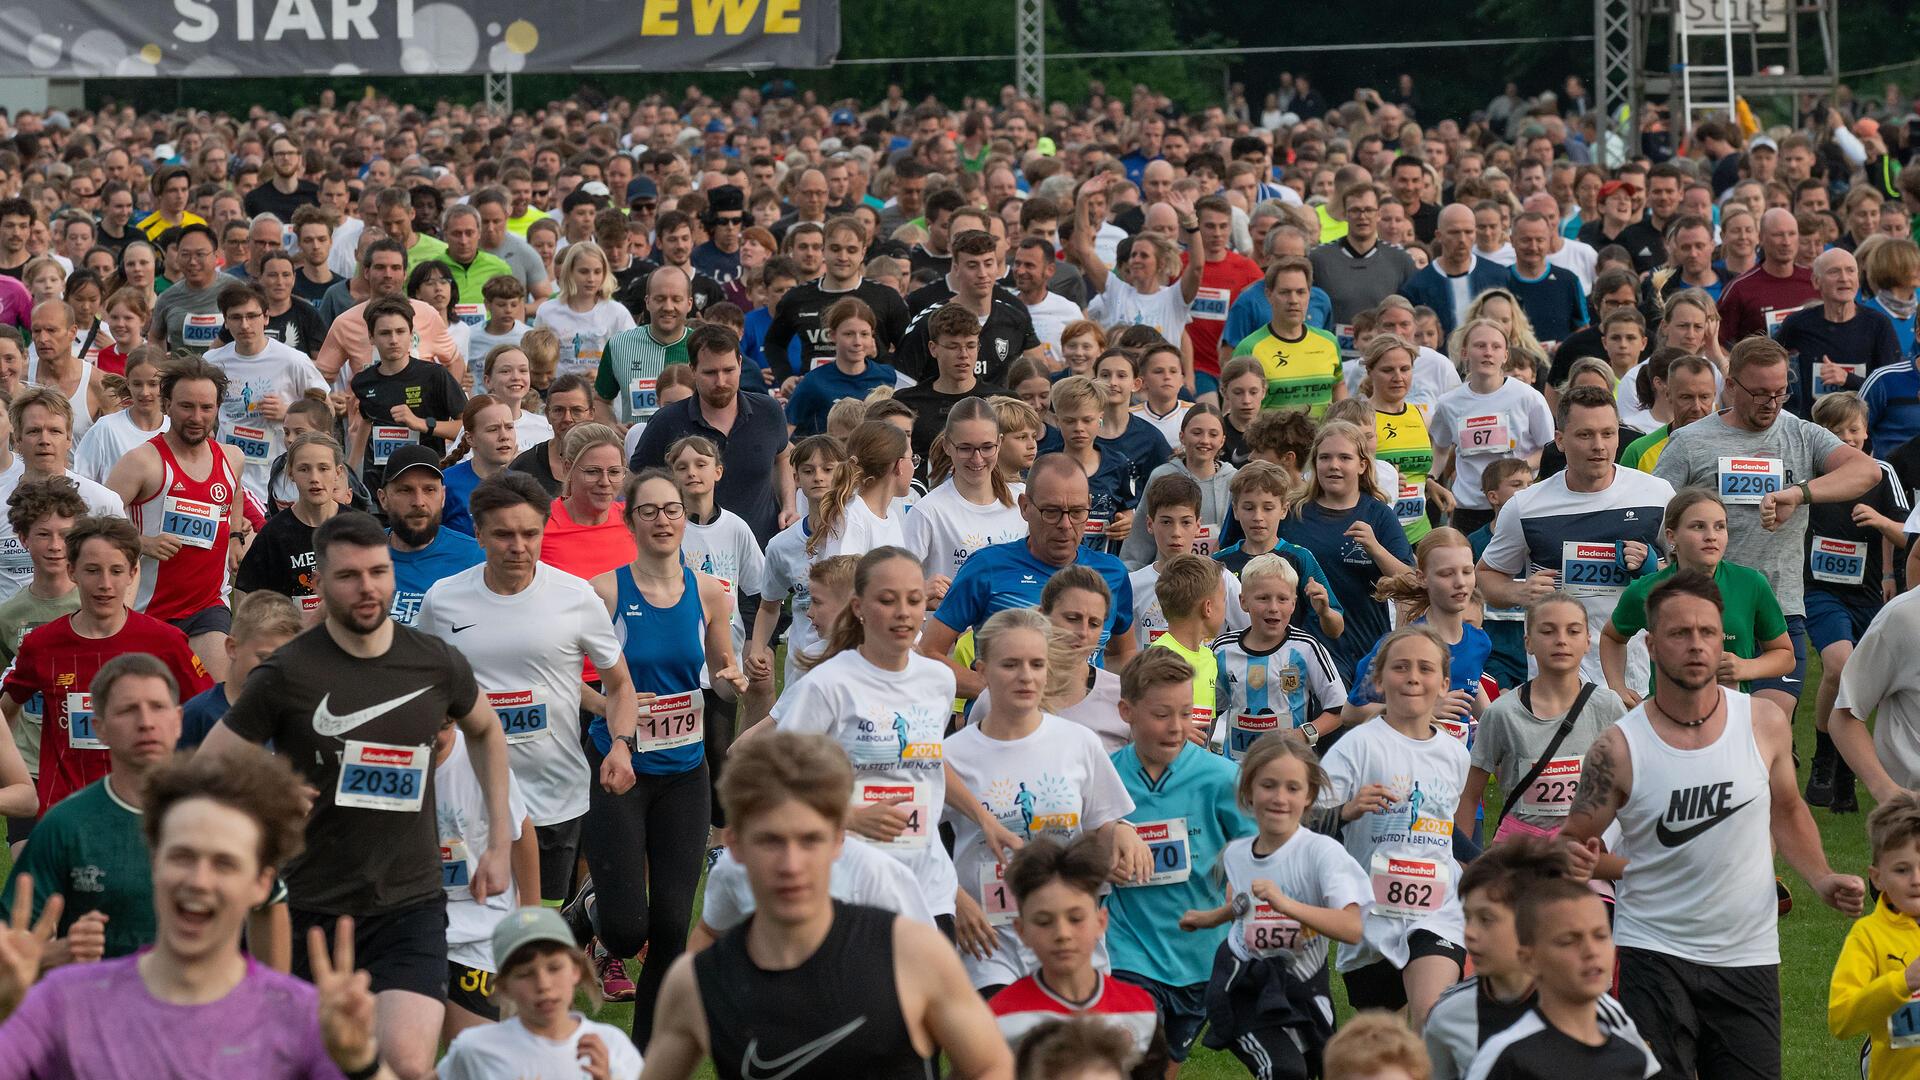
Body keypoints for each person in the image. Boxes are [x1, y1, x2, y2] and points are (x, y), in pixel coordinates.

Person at [199, 510, 522, 1080]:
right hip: (309, 904)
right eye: (349, 576)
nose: (367, 587)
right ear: (319, 585)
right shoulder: (288, 672)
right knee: (317, 1065)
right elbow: (208, 768)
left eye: (378, 571)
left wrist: (499, 842)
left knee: (405, 1064)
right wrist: (268, 794)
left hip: (410, 906)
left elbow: (487, 731)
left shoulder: (434, 660)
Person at [1559, 571, 1865, 1080]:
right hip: (1654, 953)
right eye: (1680, 634)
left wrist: (1823, 878)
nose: (1696, 645)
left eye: (1707, 631)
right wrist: (1599, 862)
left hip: (1747, 953)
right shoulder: (1617, 748)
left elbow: (1786, 810)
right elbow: (1574, 842)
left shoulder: (1763, 722)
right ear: (1652, 646)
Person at [0, 740, 404, 1079]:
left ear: (262, 883)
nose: (198, 880)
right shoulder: (66, 1001)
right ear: (155, 861)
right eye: (182, 856)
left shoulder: (302, 1018)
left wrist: (364, 1065)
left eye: (224, 863)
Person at [641, 729, 1015, 1080]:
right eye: (770, 841)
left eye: (810, 840)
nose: (791, 865)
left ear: (839, 840)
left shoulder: (911, 953)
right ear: (734, 844)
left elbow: (992, 1066)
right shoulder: (696, 983)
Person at [569, 468, 741, 1026]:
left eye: (672, 510)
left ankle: (648, 1050)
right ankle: (592, 907)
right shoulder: (605, 592)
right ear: (630, 519)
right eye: (650, 511)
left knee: (671, 925)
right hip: (618, 769)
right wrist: (611, 707)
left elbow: (716, 671)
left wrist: (737, 678)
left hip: (684, 771)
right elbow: (563, 676)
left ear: (684, 518)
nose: (663, 520)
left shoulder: (710, 592)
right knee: (626, 931)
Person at [420, 472, 635, 907]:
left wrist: (621, 744)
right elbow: (426, 688)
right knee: (477, 928)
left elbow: (621, 685)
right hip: (469, 796)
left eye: (530, 533)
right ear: (478, 534)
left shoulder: (576, 597)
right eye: (503, 535)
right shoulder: (443, 600)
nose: (518, 547)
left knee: (543, 929)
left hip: (552, 793)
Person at [1653, 336, 1883, 722]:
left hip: (1780, 608)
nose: (1772, 403)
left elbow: (1866, 471)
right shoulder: (1690, 443)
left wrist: (1799, 493)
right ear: (1730, 385)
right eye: (1759, 393)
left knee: (1768, 729)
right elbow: (1658, 517)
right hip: (1709, 609)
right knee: (1709, 732)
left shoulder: (1801, 433)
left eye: (1780, 392)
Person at [946, 608, 1145, 993]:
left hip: (1068, 932)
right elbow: (919, 843)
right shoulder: (952, 756)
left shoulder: (1077, 742)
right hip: (991, 941)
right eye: (1010, 664)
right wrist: (956, 901)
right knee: (1007, 1048)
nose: (1026, 676)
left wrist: (1122, 833)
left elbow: (1104, 821)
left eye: (1037, 664)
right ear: (983, 671)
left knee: (1077, 1051)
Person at [3, 652, 242, 965]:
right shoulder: (65, 825)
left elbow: (271, 908)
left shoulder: (228, 818)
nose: (145, 723)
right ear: (99, 728)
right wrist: (58, 952)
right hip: (97, 1007)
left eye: (157, 708)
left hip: (204, 1008)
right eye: (128, 710)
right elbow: (10, 949)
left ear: (179, 720)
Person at [1098, 648, 1254, 1064]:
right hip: (1126, 946)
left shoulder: (1220, 777)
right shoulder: (1104, 775)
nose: (1176, 727)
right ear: (1126, 711)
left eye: (1186, 714)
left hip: (1198, 953)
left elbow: (1258, 851)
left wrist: (1239, 889)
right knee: (1136, 1053)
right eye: (1162, 714)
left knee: (1167, 1061)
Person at [0, 515, 211, 818]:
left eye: (116, 571)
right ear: (72, 571)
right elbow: (6, 708)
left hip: (146, 813)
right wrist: (17, 777)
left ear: (133, 572)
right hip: (65, 814)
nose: (105, 585)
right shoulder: (42, 644)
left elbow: (207, 713)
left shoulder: (165, 642)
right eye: (92, 571)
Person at [1320, 625, 1471, 1030]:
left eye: (1425, 668)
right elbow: (1302, 824)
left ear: (1443, 683)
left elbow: (1444, 827)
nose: (1413, 677)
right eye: (1401, 667)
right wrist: (1347, 812)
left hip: (1436, 910)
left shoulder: (1455, 754)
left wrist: (1479, 864)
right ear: (1378, 679)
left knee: (1431, 1018)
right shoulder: (1356, 747)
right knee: (1386, 1047)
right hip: (1371, 917)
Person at [1478, 387, 1672, 683]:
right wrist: (1518, 592)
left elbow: (1692, 575)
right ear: (1559, 440)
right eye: (1585, 435)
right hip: (1559, 676)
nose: (1599, 446)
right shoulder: (1527, 506)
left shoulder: (1656, 495)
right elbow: (1485, 576)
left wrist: (1654, 571)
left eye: (1608, 434)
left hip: (1638, 671)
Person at [920, 455, 1137, 698]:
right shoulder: (987, 567)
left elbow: (1121, 655)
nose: (1065, 524)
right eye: (1051, 512)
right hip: (1004, 729)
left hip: (1085, 728)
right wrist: (1003, 692)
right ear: (1024, 507)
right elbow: (928, 654)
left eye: (1077, 512)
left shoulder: (1112, 573)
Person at [1425, 840, 1644, 1080]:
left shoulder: (1600, 1012)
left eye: (1486, 919)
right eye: (1467, 918)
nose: (1469, 933)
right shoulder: (1448, 1013)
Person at [101, 356, 245, 679]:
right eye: (186, 406)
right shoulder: (142, 462)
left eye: (206, 408)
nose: (197, 417)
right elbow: (95, 527)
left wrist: (235, 536)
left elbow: (234, 496)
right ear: (166, 405)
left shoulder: (232, 459)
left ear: (218, 408)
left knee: (214, 699)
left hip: (209, 607)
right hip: (149, 611)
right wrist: (141, 542)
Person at [987, 833, 1171, 1077]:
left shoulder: (1140, 1010)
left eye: (1076, 919)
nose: (1062, 933)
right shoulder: (1000, 1017)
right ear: (1021, 931)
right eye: (1044, 921)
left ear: (1100, 921)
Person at [1802, 392, 1906, 813]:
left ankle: (1845, 776)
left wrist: (1881, 523)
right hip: (1819, 590)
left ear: (1867, 432)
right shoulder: (1810, 475)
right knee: (1839, 665)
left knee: (1867, 688)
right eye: (1836, 431)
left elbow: (1908, 538)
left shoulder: (1882, 474)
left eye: (1854, 429)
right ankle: (1824, 756)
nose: (1848, 438)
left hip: (1869, 595)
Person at [1600, 489, 1792, 705]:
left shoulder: (1751, 584)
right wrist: (1617, 687)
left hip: (1732, 721)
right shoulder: (1647, 589)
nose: (1711, 536)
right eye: (1698, 526)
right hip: (1665, 719)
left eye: (1720, 526)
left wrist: (1746, 667)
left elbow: (1784, 655)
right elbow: (1612, 637)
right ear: (1672, 536)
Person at [1463, 594, 1627, 845]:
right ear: (1528, 642)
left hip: (1585, 854)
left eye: (1573, 631)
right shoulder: (1502, 713)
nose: (1561, 640)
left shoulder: (1608, 706)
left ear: (1587, 641)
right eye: (1548, 631)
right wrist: (1461, 864)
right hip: (1519, 853)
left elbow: (1630, 789)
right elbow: (1470, 796)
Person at [1465, 879, 1662, 1080]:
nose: (1591, 951)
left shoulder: (1629, 1050)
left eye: (1601, 936)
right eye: (1569, 940)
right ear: (1529, 959)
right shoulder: (1506, 1056)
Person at [629, 325, 795, 546]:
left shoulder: (769, 411)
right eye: (710, 373)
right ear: (693, 370)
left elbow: (782, 457)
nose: (721, 382)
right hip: (690, 558)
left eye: (728, 370)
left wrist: (789, 505)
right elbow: (637, 481)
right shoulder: (665, 422)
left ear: (740, 364)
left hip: (763, 550)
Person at [1277, 420, 1414, 681]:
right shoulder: (1292, 513)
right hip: (1304, 649)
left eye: (1345, 458)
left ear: (1362, 465)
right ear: (1315, 463)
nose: (1334, 465)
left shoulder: (1378, 515)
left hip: (1366, 649)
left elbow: (1409, 583)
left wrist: (1375, 549)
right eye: (1325, 457)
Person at [436, 907, 641, 1078]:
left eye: (554, 968)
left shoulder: (611, 1046)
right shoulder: (475, 1049)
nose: (543, 984)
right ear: (503, 985)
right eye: (525, 974)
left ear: (576, 971)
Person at [1344, 529, 1493, 740]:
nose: (1460, 582)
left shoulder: (1480, 642)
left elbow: (1470, 687)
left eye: (1467, 571)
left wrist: (1498, 726)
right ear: (1423, 578)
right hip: (1406, 766)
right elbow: (1350, 713)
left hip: (1457, 765)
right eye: (1446, 574)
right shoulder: (1400, 646)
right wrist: (1422, 709)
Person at [1429, 320, 1556, 537]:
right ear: (1465, 352)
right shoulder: (1448, 403)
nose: (1488, 353)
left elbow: (1549, 447)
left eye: (1495, 347)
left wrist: (1516, 469)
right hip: (1469, 507)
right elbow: (1440, 449)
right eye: (1480, 346)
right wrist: (1430, 477)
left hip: (1518, 502)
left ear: (1505, 355)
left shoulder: (1528, 397)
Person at [1828, 792, 1920, 1080]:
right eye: (1902, 869)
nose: (1916, 879)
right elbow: (1841, 1018)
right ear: (1877, 877)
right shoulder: (1869, 936)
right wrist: (1903, 982)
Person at [902, 398, 1026, 591]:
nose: (977, 459)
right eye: (965, 448)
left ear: (999, 443)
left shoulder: (1024, 500)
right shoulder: (927, 512)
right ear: (947, 446)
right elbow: (897, 585)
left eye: (986, 447)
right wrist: (921, 591)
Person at [348, 296, 468, 489]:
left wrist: (422, 424)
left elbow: (468, 428)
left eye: (400, 331)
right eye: (385, 333)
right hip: (378, 485)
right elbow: (366, 422)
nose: (393, 340)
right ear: (372, 337)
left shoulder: (435, 375)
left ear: (412, 334)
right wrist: (351, 471)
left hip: (423, 481)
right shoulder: (363, 381)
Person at [764, 216, 911, 372]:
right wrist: (785, 377)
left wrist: (878, 355)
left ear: (863, 253)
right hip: (817, 393)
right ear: (823, 250)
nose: (843, 257)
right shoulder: (797, 297)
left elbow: (910, 353)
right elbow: (774, 344)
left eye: (851, 250)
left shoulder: (886, 298)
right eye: (835, 249)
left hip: (871, 393)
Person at [1773, 247, 1902, 417]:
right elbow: (1767, 360)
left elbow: (1892, 387)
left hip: (1860, 431)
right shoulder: (1798, 323)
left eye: (1850, 271)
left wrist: (1847, 379)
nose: (1844, 278)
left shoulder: (1878, 324)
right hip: (1813, 428)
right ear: (1816, 281)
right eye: (1834, 272)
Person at [179, 590, 302, 751]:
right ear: (232, 648)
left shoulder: (298, 714)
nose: (275, 669)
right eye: (264, 658)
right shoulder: (198, 714)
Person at [1233, 256, 1346, 417]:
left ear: (1309, 295)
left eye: (1300, 292)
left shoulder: (1329, 341)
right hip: (1269, 441)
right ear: (1269, 295)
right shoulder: (1249, 348)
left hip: (1323, 441)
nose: (1293, 300)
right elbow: (1235, 408)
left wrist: (1342, 421)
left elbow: (1338, 385)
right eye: (1284, 292)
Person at [595, 264, 691, 428]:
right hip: (635, 450)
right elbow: (600, 401)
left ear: (689, 304)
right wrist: (611, 426)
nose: (668, 307)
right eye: (660, 299)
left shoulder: (703, 348)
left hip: (691, 449)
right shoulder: (619, 345)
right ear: (647, 302)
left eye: (676, 299)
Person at [1715, 208, 1818, 346]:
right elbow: (1715, 342)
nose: (1786, 242)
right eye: (1778, 235)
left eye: (1792, 234)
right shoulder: (1740, 289)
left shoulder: (1815, 280)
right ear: (1761, 238)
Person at [73, 344, 168, 485]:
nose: (144, 392)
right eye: (137, 384)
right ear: (128, 383)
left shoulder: (174, 429)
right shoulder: (105, 429)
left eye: (152, 384)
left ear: (164, 384)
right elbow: (81, 484)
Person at [508, 372, 592, 499]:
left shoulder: (608, 463)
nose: (567, 418)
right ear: (547, 414)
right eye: (558, 410)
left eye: (577, 411)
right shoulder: (525, 466)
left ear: (591, 414)